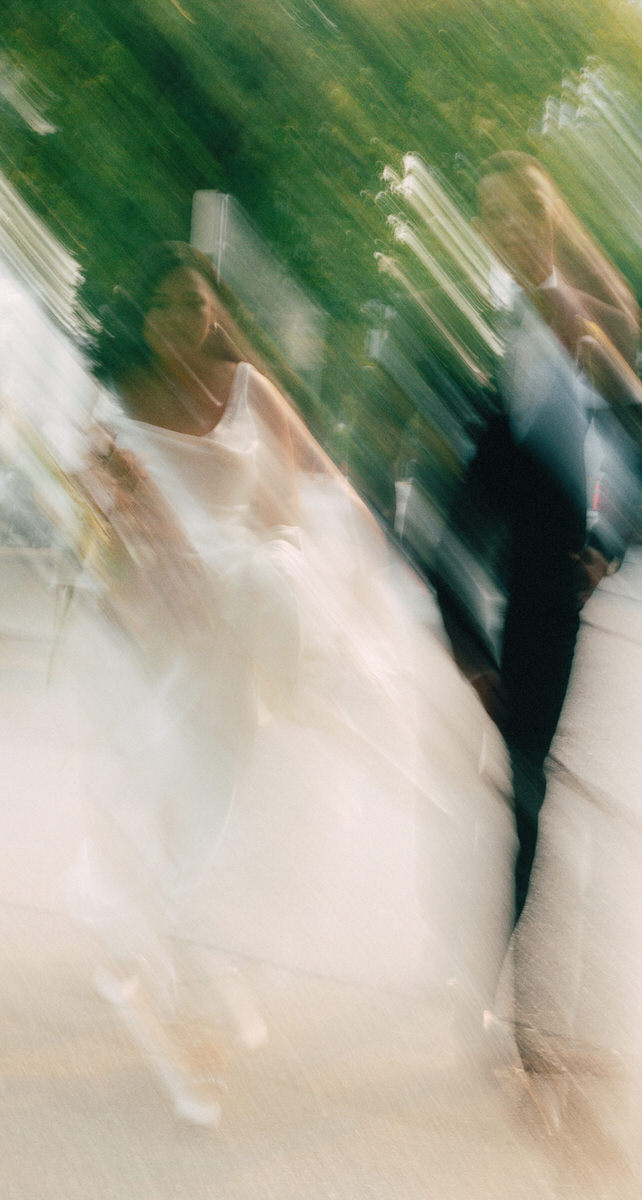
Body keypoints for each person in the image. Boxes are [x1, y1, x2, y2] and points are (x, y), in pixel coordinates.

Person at [56, 241, 508, 1124]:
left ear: (215, 311)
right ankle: (192, 1019)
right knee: (201, 808)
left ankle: (195, 977)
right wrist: (181, 602)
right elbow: (129, 544)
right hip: (175, 631)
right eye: (166, 307)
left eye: (197, 304)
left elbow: (317, 479)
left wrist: (314, 560)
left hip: (264, 609)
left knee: (265, 798)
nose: (186, 321)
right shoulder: (112, 420)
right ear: (140, 321)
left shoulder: (248, 389)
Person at [434, 153, 642, 1045]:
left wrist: (605, 545)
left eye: (526, 210)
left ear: (551, 216)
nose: (512, 228)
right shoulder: (505, 322)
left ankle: (522, 1005)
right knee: (519, 789)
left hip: (544, 594)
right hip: (497, 579)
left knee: (526, 790)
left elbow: (634, 443)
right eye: (495, 215)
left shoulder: (581, 318)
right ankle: (508, 986)